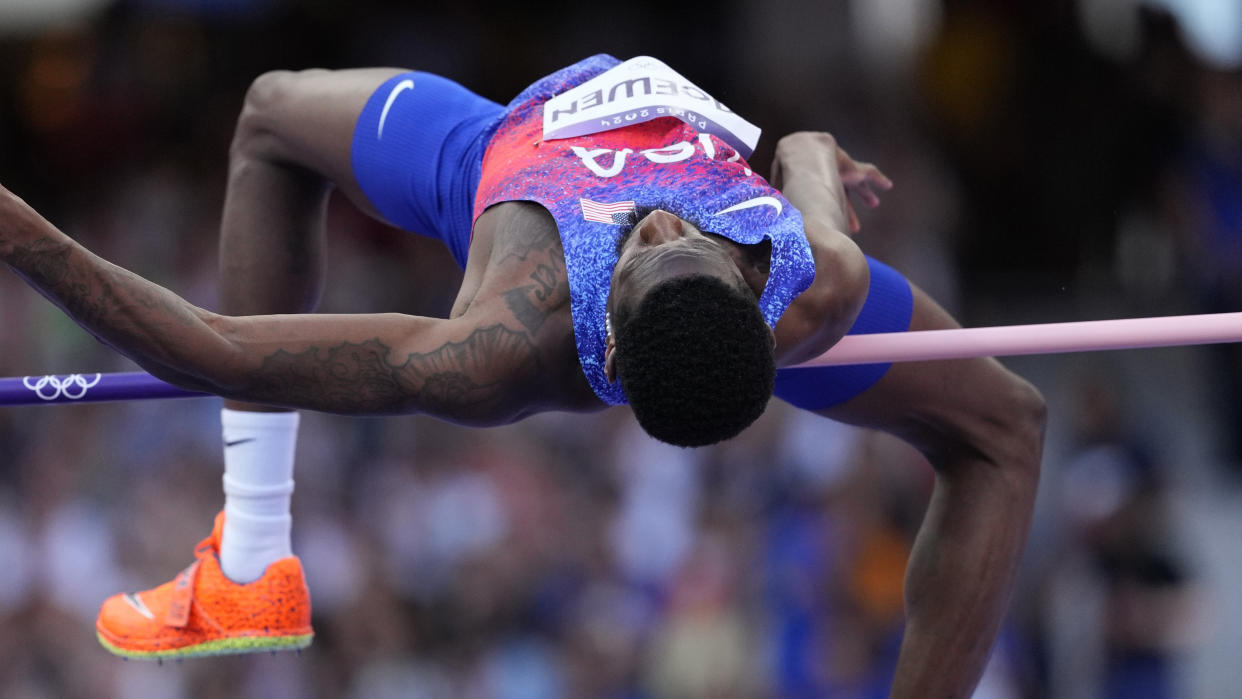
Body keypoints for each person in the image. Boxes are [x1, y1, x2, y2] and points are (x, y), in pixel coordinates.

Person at [0, 55, 1044, 697]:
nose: (664, 220)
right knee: (271, 115)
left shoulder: (505, 339)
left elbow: (207, 347)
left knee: (1006, 431)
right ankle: (247, 573)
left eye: (651, 249)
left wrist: (22, 237)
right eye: (681, 238)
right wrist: (822, 155)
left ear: (616, 339)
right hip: (567, 133)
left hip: (497, 157)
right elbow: (807, 158)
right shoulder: (819, 272)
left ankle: (247, 560)